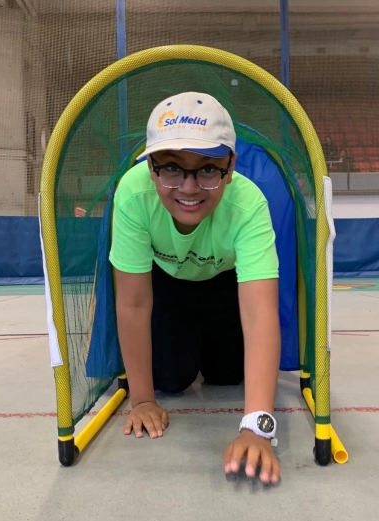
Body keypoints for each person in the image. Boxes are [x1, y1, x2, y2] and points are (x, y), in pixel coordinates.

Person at [110, 92, 281, 484]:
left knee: (229, 375)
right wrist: (142, 400)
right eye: (171, 168)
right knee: (169, 381)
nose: (189, 187)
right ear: (150, 167)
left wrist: (257, 427)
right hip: (167, 284)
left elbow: (258, 312)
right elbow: (134, 303)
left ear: (231, 166)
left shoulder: (248, 204)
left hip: (225, 286)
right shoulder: (133, 194)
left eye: (207, 169)